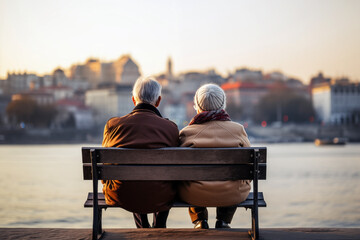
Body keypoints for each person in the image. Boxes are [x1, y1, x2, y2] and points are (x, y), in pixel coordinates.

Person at [101, 76, 179, 228]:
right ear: (158, 101)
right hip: (161, 196)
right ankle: (159, 225)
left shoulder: (113, 125)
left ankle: (142, 226)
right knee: (164, 179)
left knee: (130, 177)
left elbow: (105, 167)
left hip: (122, 195)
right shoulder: (171, 128)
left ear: (133, 100)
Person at [178, 83, 251, 229]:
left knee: (186, 176)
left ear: (197, 106)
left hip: (195, 194)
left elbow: (179, 168)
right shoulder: (238, 130)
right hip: (232, 194)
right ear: (223, 105)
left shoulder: (187, 132)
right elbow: (249, 164)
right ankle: (223, 220)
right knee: (237, 177)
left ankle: (200, 220)